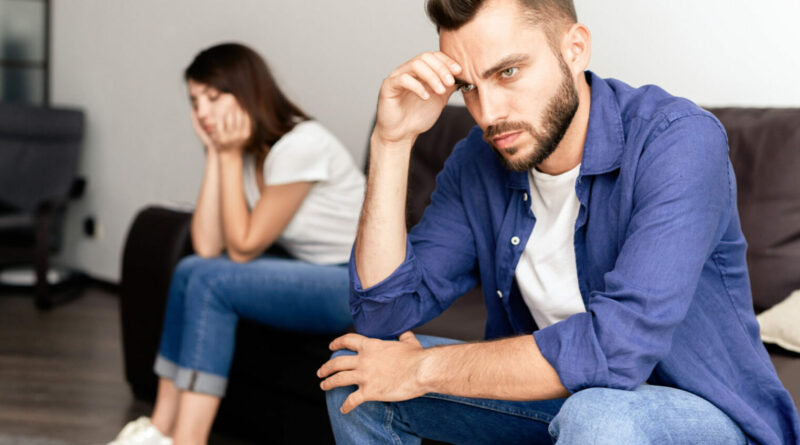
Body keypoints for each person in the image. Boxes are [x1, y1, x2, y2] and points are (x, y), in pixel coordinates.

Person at [317, 0, 800, 443]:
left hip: (700, 414)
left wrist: (421, 369)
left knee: (598, 415)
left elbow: (617, 349)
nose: (488, 114)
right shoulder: (477, 162)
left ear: (575, 48)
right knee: (356, 375)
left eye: (507, 72)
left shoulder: (677, 141)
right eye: (469, 87)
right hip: (566, 399)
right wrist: (392, 141)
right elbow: (382, 315)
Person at [108, 43, 365, 445]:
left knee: (210, 282)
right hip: (312, 272)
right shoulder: (244, 155)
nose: (203, 113)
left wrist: (226, 156)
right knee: (190, 269)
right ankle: (159, 428)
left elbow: (242, 247)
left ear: (248, 91)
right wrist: (216, 154)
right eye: (195, 102)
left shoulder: (301, 144)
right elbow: (208, 246)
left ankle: (187, 440)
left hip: (356, 284)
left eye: (213, 97)